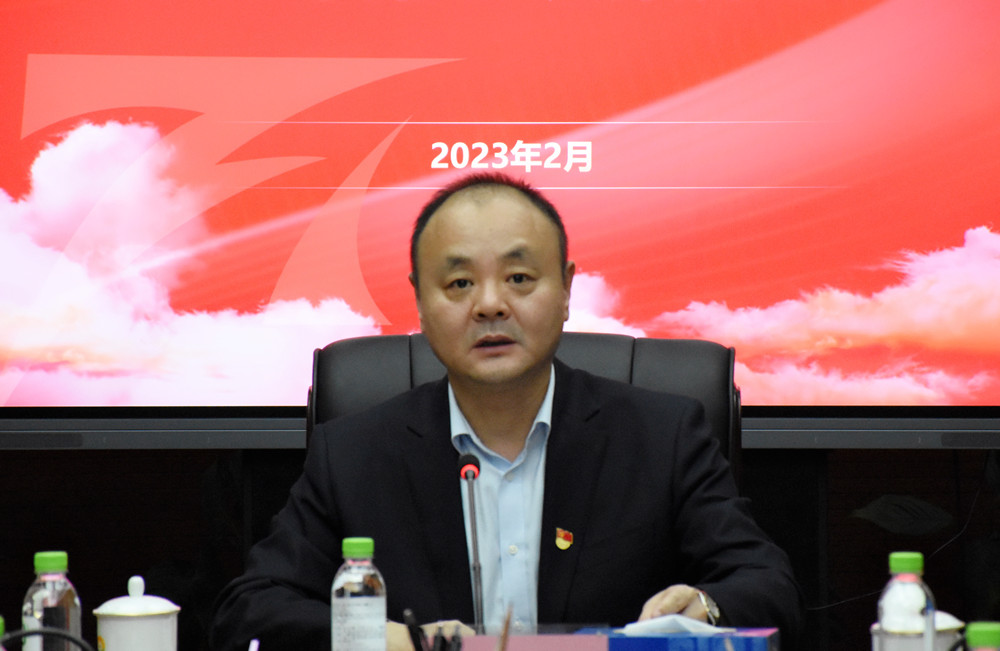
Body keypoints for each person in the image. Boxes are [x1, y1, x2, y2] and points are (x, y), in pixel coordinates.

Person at [209, 172, 804, 650]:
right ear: (419, 300)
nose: (490, 305)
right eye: (459, 284)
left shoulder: (662, 436)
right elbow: (249, 613)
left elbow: (769, 587)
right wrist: (385, 640)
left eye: (519, 278)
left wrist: (707, 606)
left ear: (566, 289)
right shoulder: (354, 454)